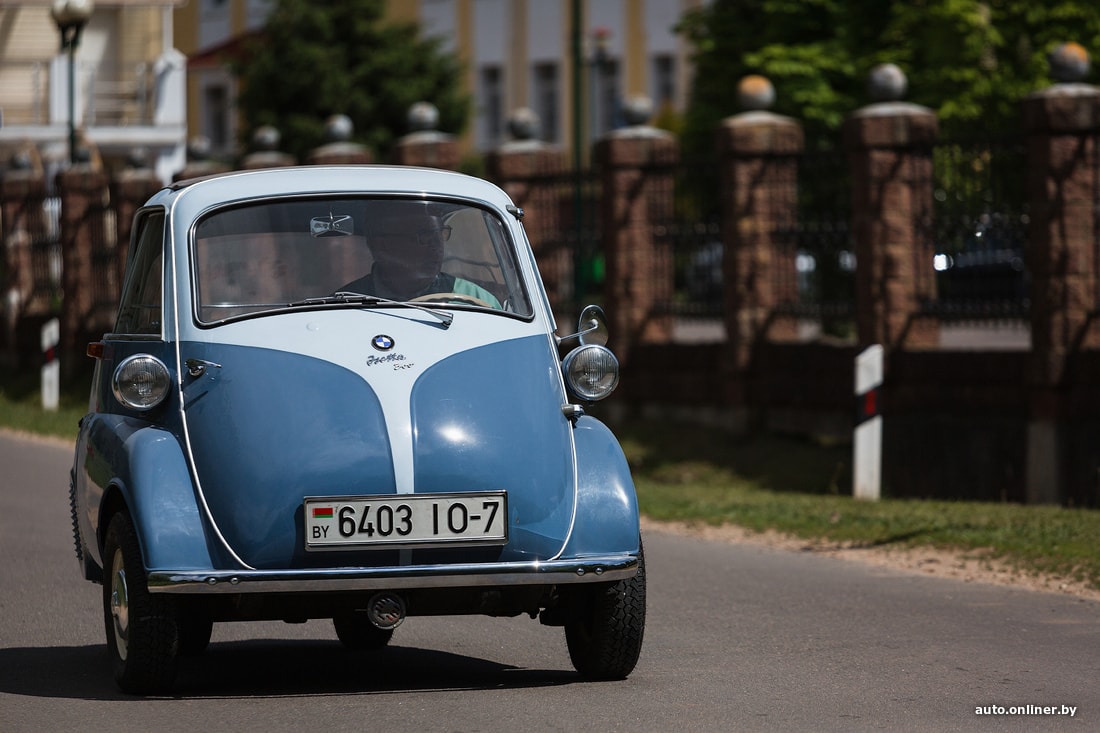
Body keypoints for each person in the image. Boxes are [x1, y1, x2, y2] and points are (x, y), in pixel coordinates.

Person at [341, 202, 502, 308]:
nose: (436, 246)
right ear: (382, 245)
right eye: (424, 236)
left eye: (439, 234)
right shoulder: (345, 304)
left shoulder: (477, 300)